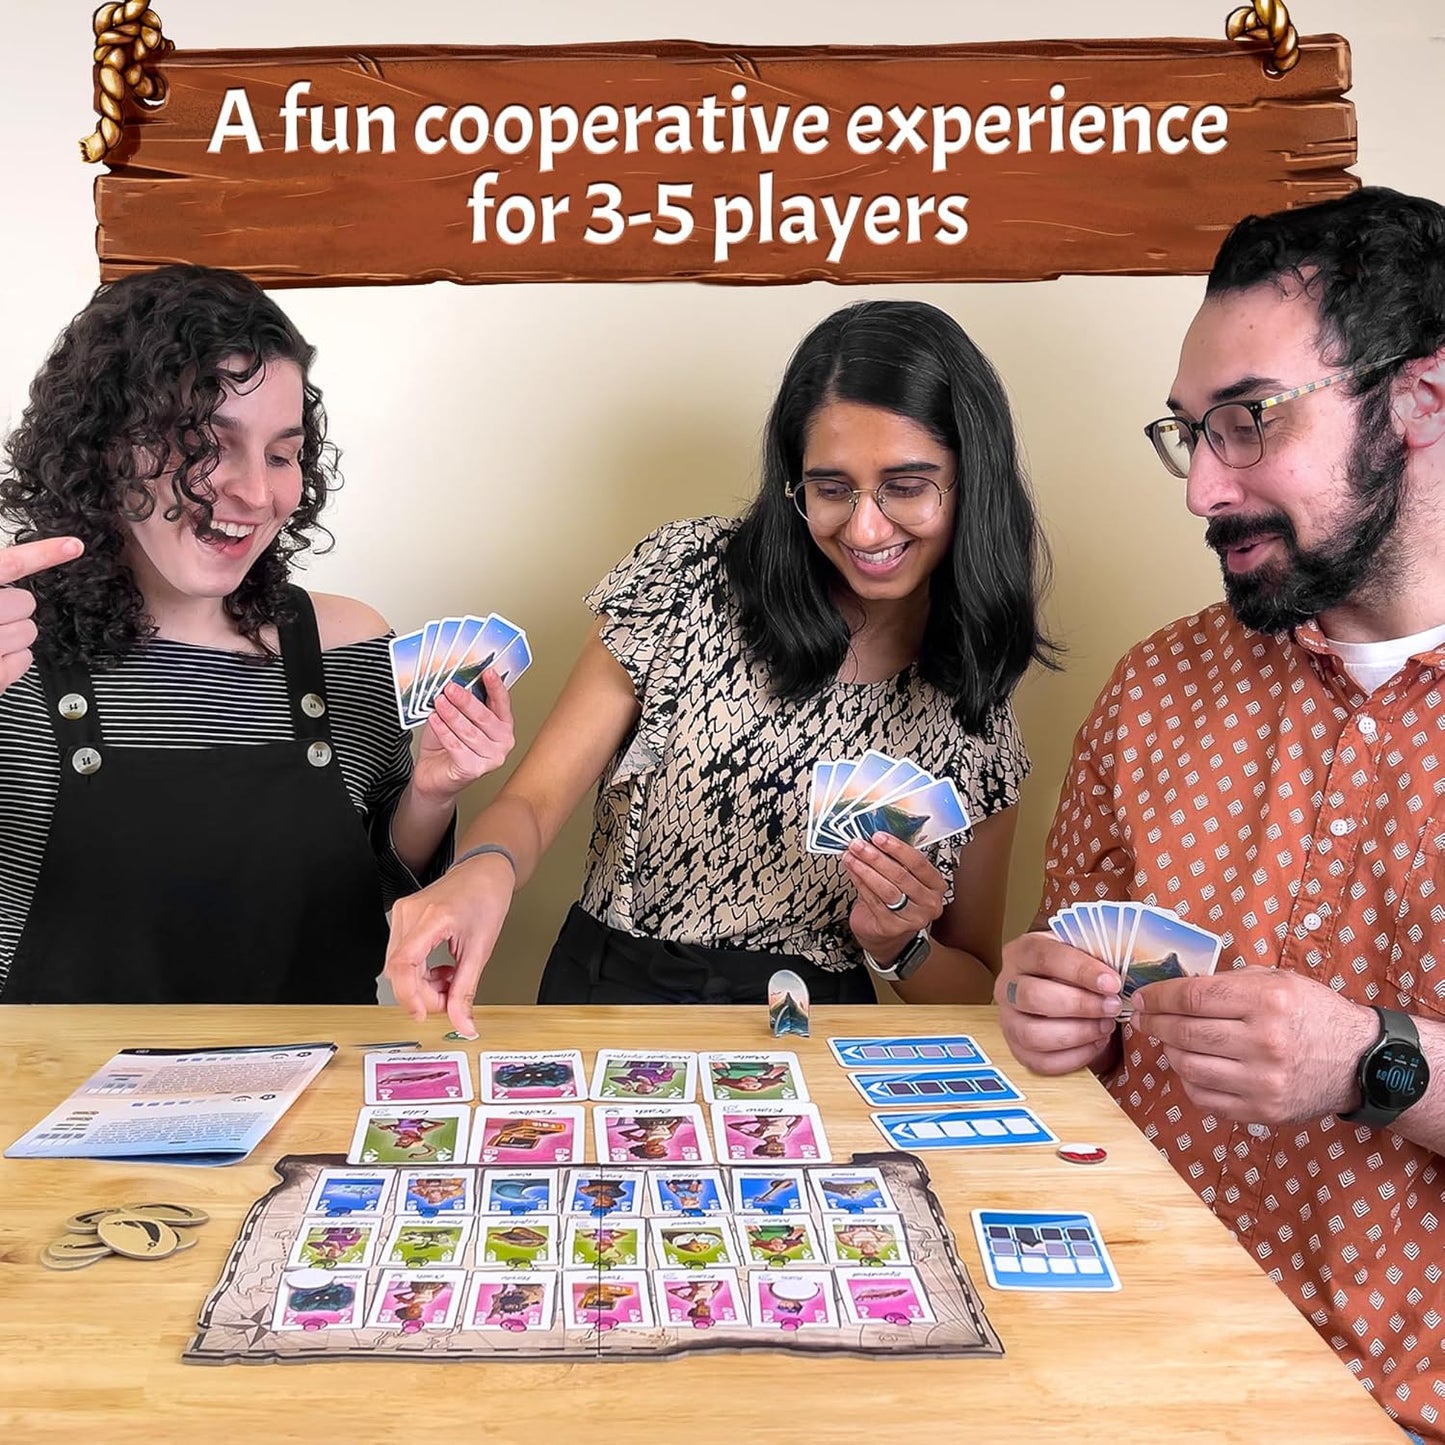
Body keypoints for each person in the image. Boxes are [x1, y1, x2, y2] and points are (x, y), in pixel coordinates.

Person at [995, 186, 1445, 1445]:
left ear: (1419, 399)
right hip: (1120, 1378)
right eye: (1187, 432)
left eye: (1245, 422)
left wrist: (1376, 1062)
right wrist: (1045, 1008)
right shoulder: (1148, 691)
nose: (1200, 487)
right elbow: (1064, 1027)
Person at [385, 299, 1054, 1027]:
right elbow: (532, 803)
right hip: (608, 995)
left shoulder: (977, 714)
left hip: (812, 1027)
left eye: (905, 485)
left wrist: (897, 946)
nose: (864, 526)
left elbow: (974, 984)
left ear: (971, 478)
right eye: (830, 488)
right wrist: (484, 870)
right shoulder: (684, 580)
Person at [0, 264, 512, 1003]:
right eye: (207, 443)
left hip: (313, 1102)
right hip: (50, 1104)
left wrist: (432, 794)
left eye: (281, 453)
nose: (255, 491)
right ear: (104, 446)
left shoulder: (350, 646)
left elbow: (379, 902)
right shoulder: (13, 648)